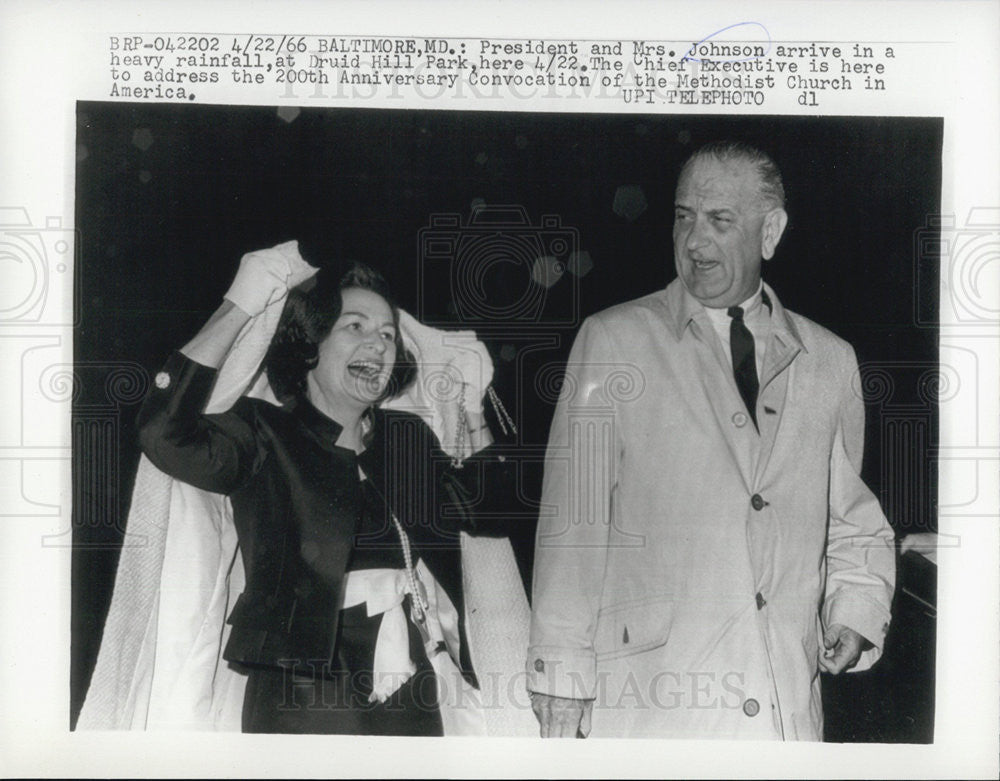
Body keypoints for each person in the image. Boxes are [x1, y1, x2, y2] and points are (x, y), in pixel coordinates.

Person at [526, 141, 896, 740]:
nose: (694, 242)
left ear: (770, 231)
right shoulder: (614, 340)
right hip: (659, 702)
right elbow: (575, 520)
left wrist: (854, 613)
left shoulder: (830, 361)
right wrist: (560, 674)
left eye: (720, 220)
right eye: (683, 216)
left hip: (782, 705)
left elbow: (851, 519)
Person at [134, 248, 521, 735]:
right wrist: (240, 303)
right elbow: (162, 434)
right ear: (310, 344)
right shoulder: (262, 431)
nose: (378, 346)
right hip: (299, 693)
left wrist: (473, 407)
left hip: (414, 689)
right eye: (355, 327)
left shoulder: (406, 439)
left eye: (387, 334)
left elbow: (493, 511)